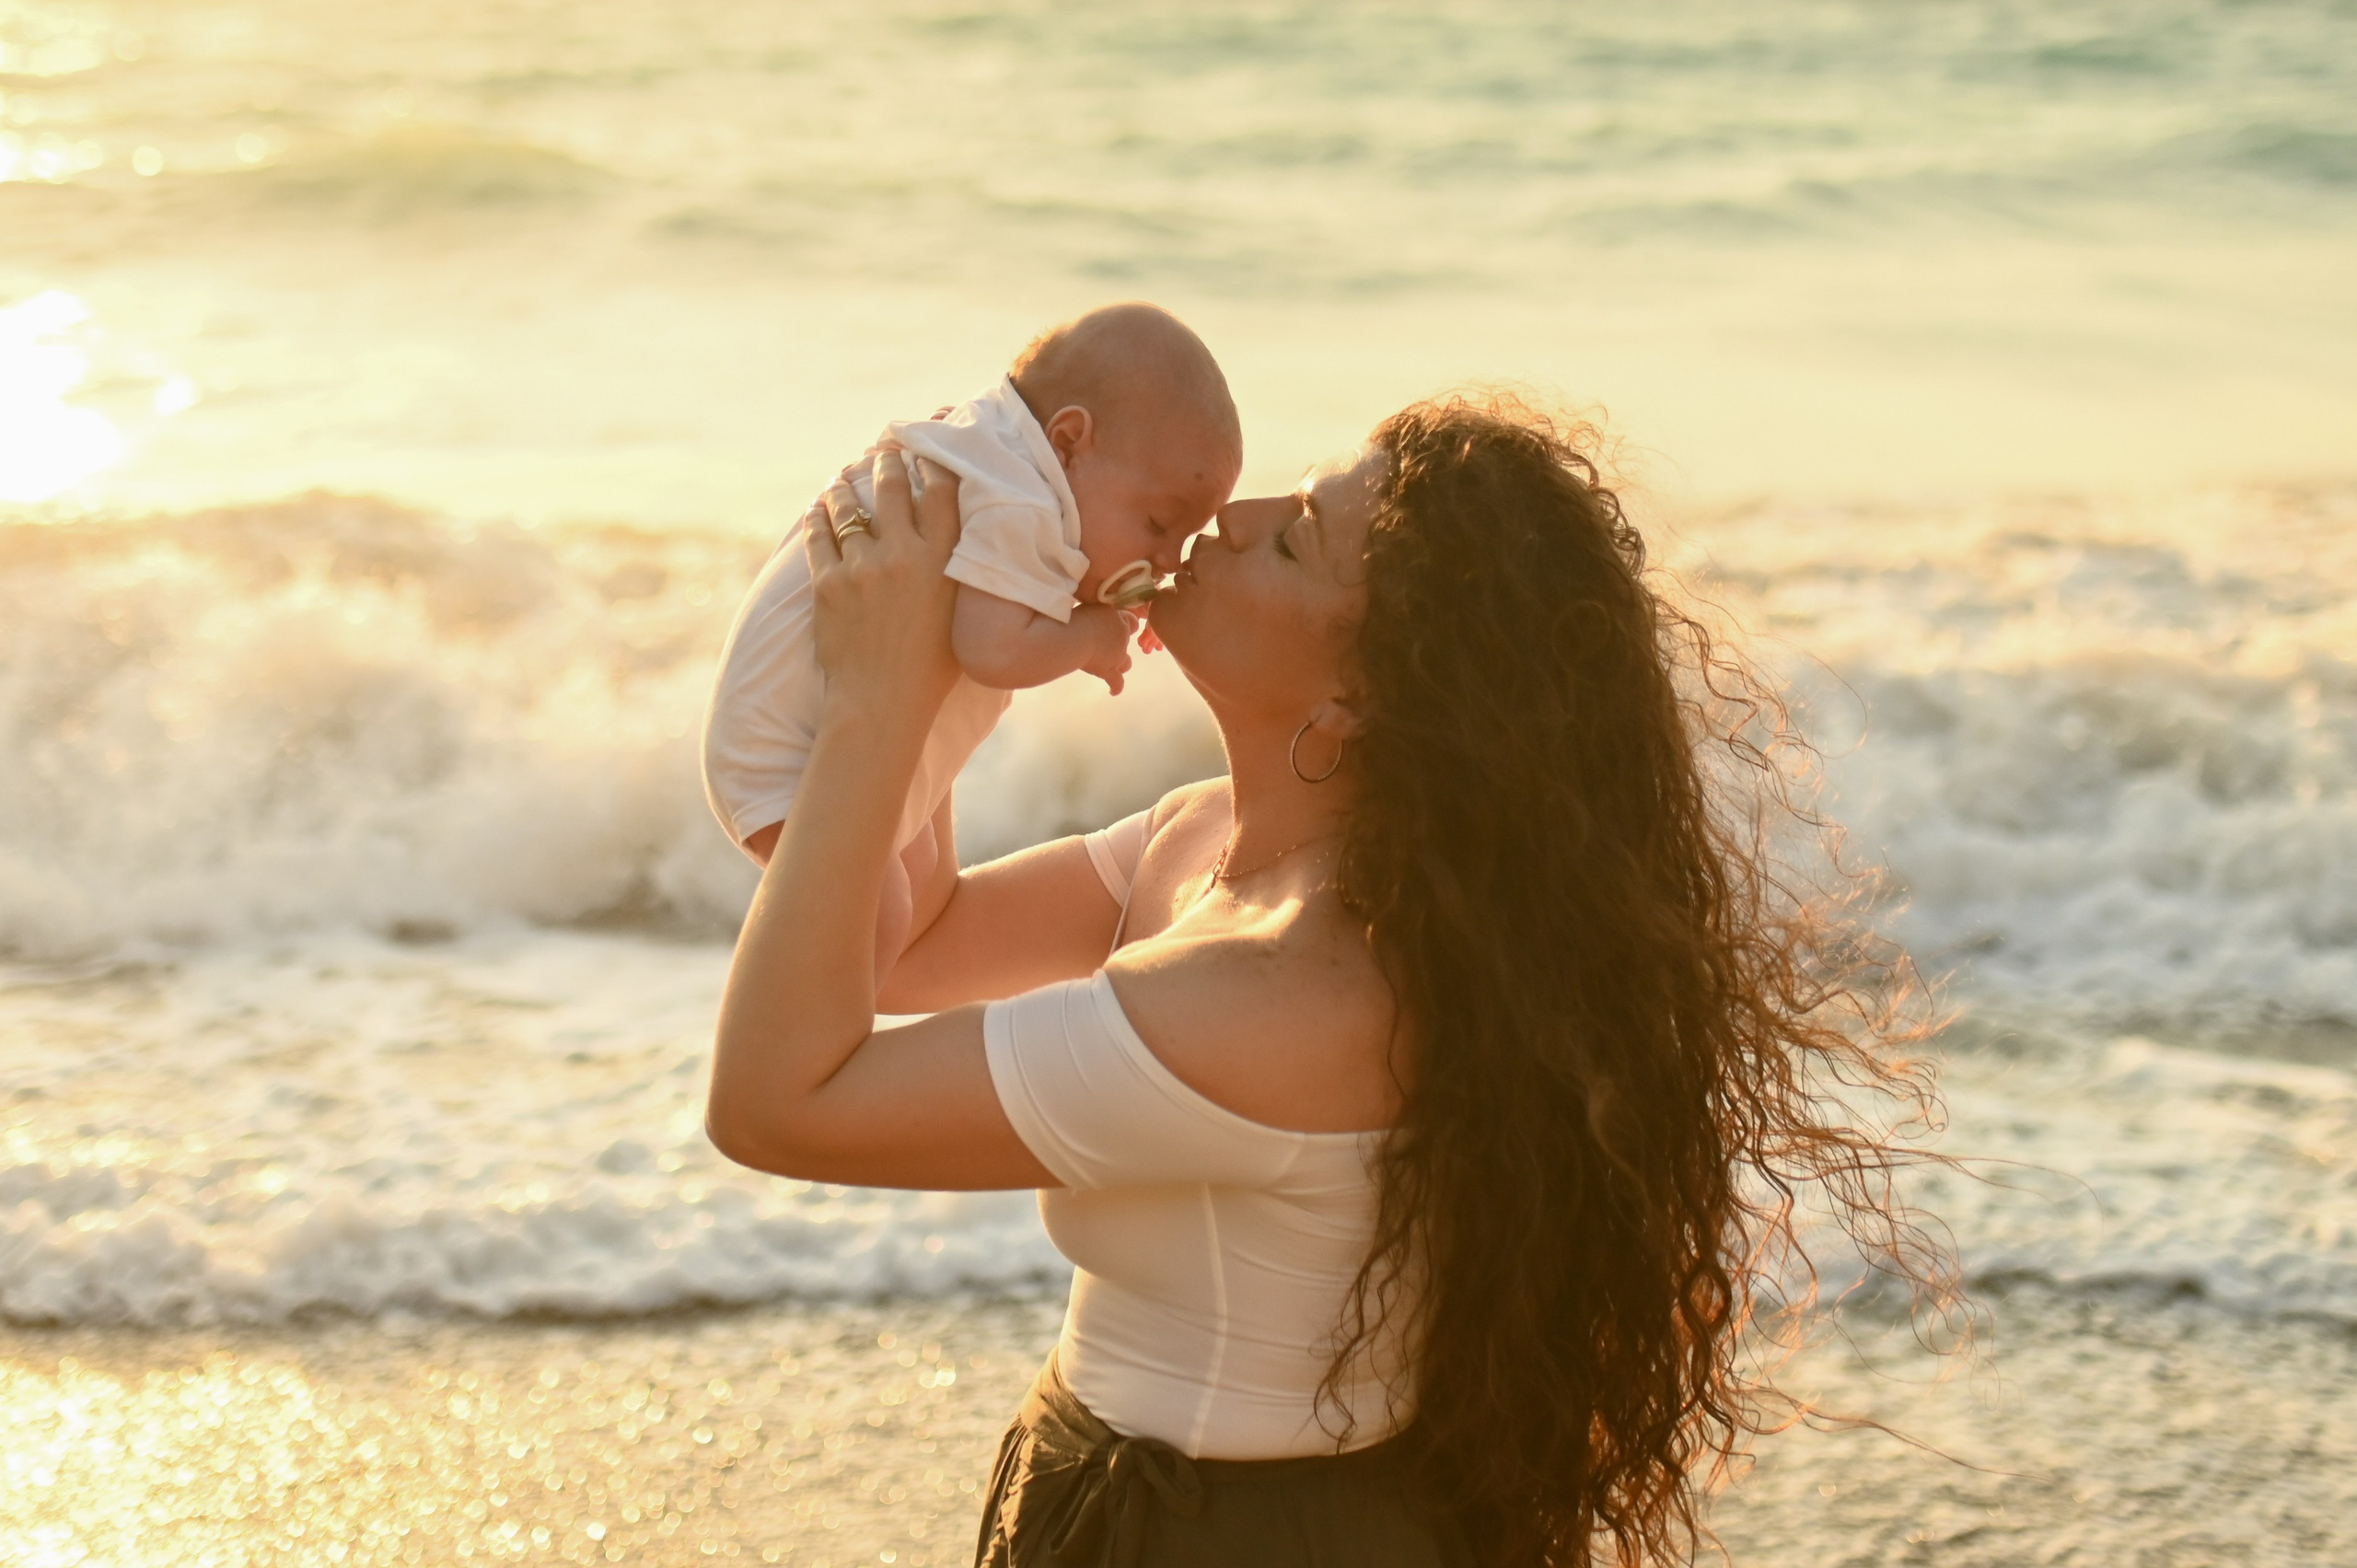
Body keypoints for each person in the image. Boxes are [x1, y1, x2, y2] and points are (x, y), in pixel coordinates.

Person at [705, 396, 1955, 1566]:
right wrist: (938, 680)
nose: (1225, 521)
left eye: (1291, 539)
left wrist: (876, 709)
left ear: (1361, 697)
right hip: (1129, 1481)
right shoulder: (1213, 844)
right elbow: (911, 938)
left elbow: (777, 1101)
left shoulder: (1285, 992)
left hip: (1236, 1535)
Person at [700, 302, 1243, 978]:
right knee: (875, 925)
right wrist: (1092, 634)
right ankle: (817, 1062)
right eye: (1159, 523)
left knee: (911, 894)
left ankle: (818, 1052)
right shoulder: (1020, 503)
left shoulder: (995, 460)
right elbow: (995, 651)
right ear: (1070, 440)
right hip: (792, 763)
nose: (1167, 557)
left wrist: (1118, 595)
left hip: (797, 742)